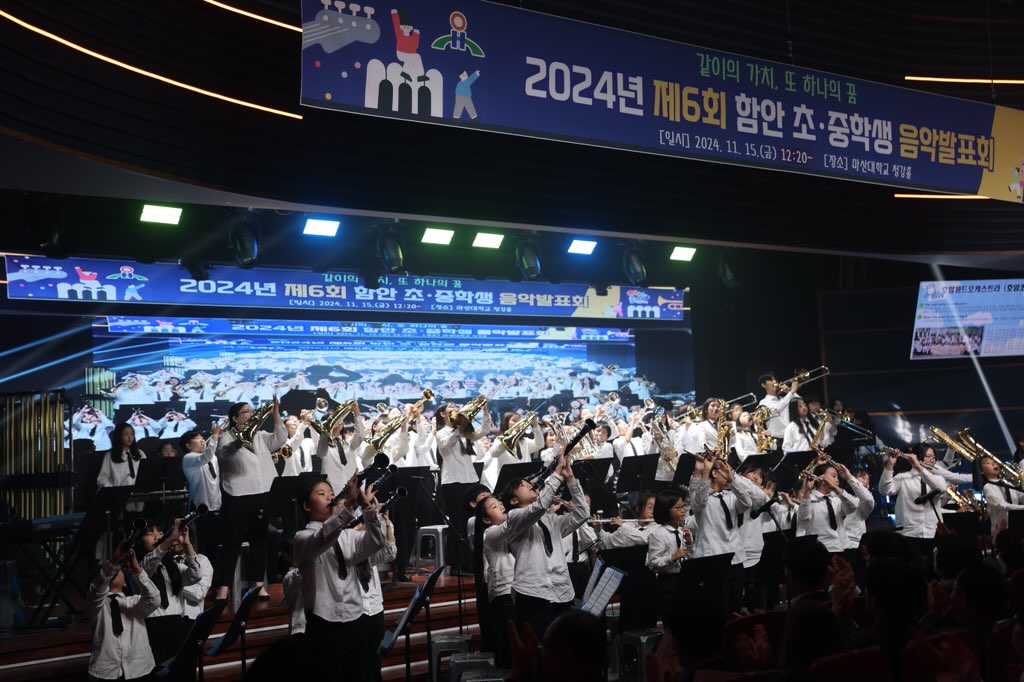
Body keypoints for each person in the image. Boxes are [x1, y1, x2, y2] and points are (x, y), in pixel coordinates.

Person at [293, 476, 393, 682]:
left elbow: (377, 542)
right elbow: (322, 538)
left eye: (331, 493)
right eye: (321, 494)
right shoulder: (301, 538)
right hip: (323, 623)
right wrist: (348, 504)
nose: (330, 497)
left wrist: (367, 508)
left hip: (356, 620)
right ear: (306, 505)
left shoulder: (347, 536)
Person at [492, 448, 588, 640]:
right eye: (523, 485)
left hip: (561, 591)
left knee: (563, 649)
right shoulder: (514, 517)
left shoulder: (550, 520)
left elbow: (582, 514)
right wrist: (556, 472)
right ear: (513, 499)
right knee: (538, 649)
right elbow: (539, 506)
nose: (530, 485)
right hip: (532, 594)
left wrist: (570, 479)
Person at [213, 398, 286, 601]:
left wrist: (276, 413)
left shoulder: (260, 436)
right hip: (237, 495)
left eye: (251, 411)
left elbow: (280, 439)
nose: (251, 414)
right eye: (246, 412)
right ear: (235, 419)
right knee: (232, 543)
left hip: (261, 493)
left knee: (259, 541)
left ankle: (258, 584)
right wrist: (240, 440)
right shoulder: (226, 436)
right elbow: (224, 454)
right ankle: (224, 587)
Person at [689, 456, 764, 612]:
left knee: (735, 604)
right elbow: (698, 501)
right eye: (723, 471)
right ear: (715, 474)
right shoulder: (702, 499)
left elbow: (747, 503)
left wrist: (733, 480)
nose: (728, 473)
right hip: (713, 557)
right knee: (718, 606)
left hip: (735, 557)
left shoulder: (730, 496)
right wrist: (705, 472)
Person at [138, 519, 207, 672]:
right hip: (153, 626)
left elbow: (195, 575)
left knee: (183, 673)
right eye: (150, 534)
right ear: (140, 540)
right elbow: (150, 563)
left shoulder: (173, 566)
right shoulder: (139, 566)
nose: (157, 537)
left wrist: (187, 543)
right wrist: (168, 539)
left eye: (160, 533)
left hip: (177, 623)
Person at [87, 544, 160, 681]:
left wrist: (136, 569)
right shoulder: (96, 604)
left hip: (140, 669)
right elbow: (97, 587)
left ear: (125, 583)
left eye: (119, 570)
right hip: (105, 672)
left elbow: (154, 599)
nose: (115, 571)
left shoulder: (135, 602)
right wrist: (114, 561)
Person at [436, 402, 492, 574]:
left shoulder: (466, 433)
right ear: (443, 415)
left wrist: (484, 410)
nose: (455, 411)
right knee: (457, 523)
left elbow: (484, 430)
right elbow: (448, 443)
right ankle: (455, 564)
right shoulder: (441, 433)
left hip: (470, 479)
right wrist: (460, 427)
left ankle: (471, 561)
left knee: (472, 523)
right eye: (451, 409)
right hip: (453, 482)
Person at [878, 447, 947, 577]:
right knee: (914, 571)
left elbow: (941, 488)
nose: (932, 459)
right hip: (909, 532)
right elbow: (884, 490)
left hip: (933, 531)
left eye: (933, 457)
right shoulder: (903, 478)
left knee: (934, 571)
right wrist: (889, 467)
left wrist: (920, 469)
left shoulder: (937, 477)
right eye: (928, 456)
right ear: (918, 456)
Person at [795, 460, 873, 554]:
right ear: (821, 479)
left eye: (837, 477)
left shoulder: (837, 498)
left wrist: (836, 488)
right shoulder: (809, 499)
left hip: (844, 548)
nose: (837, 480)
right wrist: (807, 491)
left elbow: (852, 507)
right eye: (833, 476)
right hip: (823, 551)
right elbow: (803, 517)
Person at [475, 494, 517, 668]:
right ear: (486, 519)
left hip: (514, 593)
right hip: (503, 597)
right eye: (494, 507)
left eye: (500, 503)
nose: (500, 506)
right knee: (509, 649)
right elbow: (514, 522)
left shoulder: (512, 528)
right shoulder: (490, 532)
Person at [645, 488, 691, 618]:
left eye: (683, 506)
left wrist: (690, 543)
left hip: (684, 578)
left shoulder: (683, 531)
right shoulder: (658, 534)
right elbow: (653, 563)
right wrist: (672, 557)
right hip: (668, 582)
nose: (682, 510)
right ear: (666, 510)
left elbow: (691, 557)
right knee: (671, 619)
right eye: (677, 507)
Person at [179, 428, 221, 559]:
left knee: (214, 546)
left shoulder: (212, 456)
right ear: (188, 445)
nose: (202, 440)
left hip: (216, 506)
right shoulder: (189, 458)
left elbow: (209, 455)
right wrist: (214, 436)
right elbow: (205, 457)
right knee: (202, 545)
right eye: (197, 438)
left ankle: (214, 576)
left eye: (202, 437)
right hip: (200, 508)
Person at [979, 453, 1024, 539]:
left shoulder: (1008, 483)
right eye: (988, 463)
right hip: (1000, 531)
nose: (993, 463)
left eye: (994, 462)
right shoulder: (987, 487)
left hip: (1017, 527)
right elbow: (1002, 505)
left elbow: (1021, 497)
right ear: (981, 471)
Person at [96, 422, 146, 489]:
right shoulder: (110, 455)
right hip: (118, 494)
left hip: (137, 493)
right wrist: (113, 490)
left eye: (132, 434)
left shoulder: (140, 453)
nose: (129, 437)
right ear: (119, 436)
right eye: (126, 434)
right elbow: (102, 479)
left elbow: (146, 473)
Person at [757, 372, 801, 446]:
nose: (775, 382)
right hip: (776, 440)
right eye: (771, 380)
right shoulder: (763, 402)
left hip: (791, 438)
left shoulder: (784, 398)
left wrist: (789, 392)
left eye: (775, 380)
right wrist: (791, 392)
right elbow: (776, 410)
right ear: (763, 385)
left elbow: (801, 403)